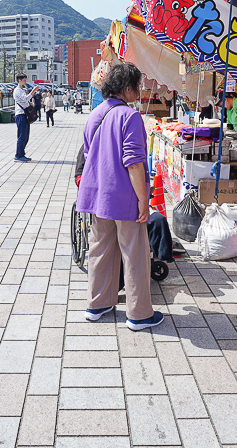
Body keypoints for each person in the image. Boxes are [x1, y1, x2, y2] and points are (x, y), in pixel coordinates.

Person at [77, 62, 163, 331]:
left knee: (100, 250)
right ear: (127, 89)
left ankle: (97, 304)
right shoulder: (130, 116)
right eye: (137, 86)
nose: (139, 91)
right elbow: (134, 163)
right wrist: (143, 200)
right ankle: (138, 314)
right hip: (123, 196)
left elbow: (90, 155)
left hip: (95, 195)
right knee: (135, 253)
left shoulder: (94, 115)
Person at [13, 74, 40, 162]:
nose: (25, 82)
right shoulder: (17, 90)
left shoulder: (22, 90)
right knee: (22, 135)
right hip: (20, 114)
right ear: (19, 81)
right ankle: (18, 155)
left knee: (25, 135)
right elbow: (25, 99)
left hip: (24, 115)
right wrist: (33, 91)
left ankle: (21, 153)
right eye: (24, 80)